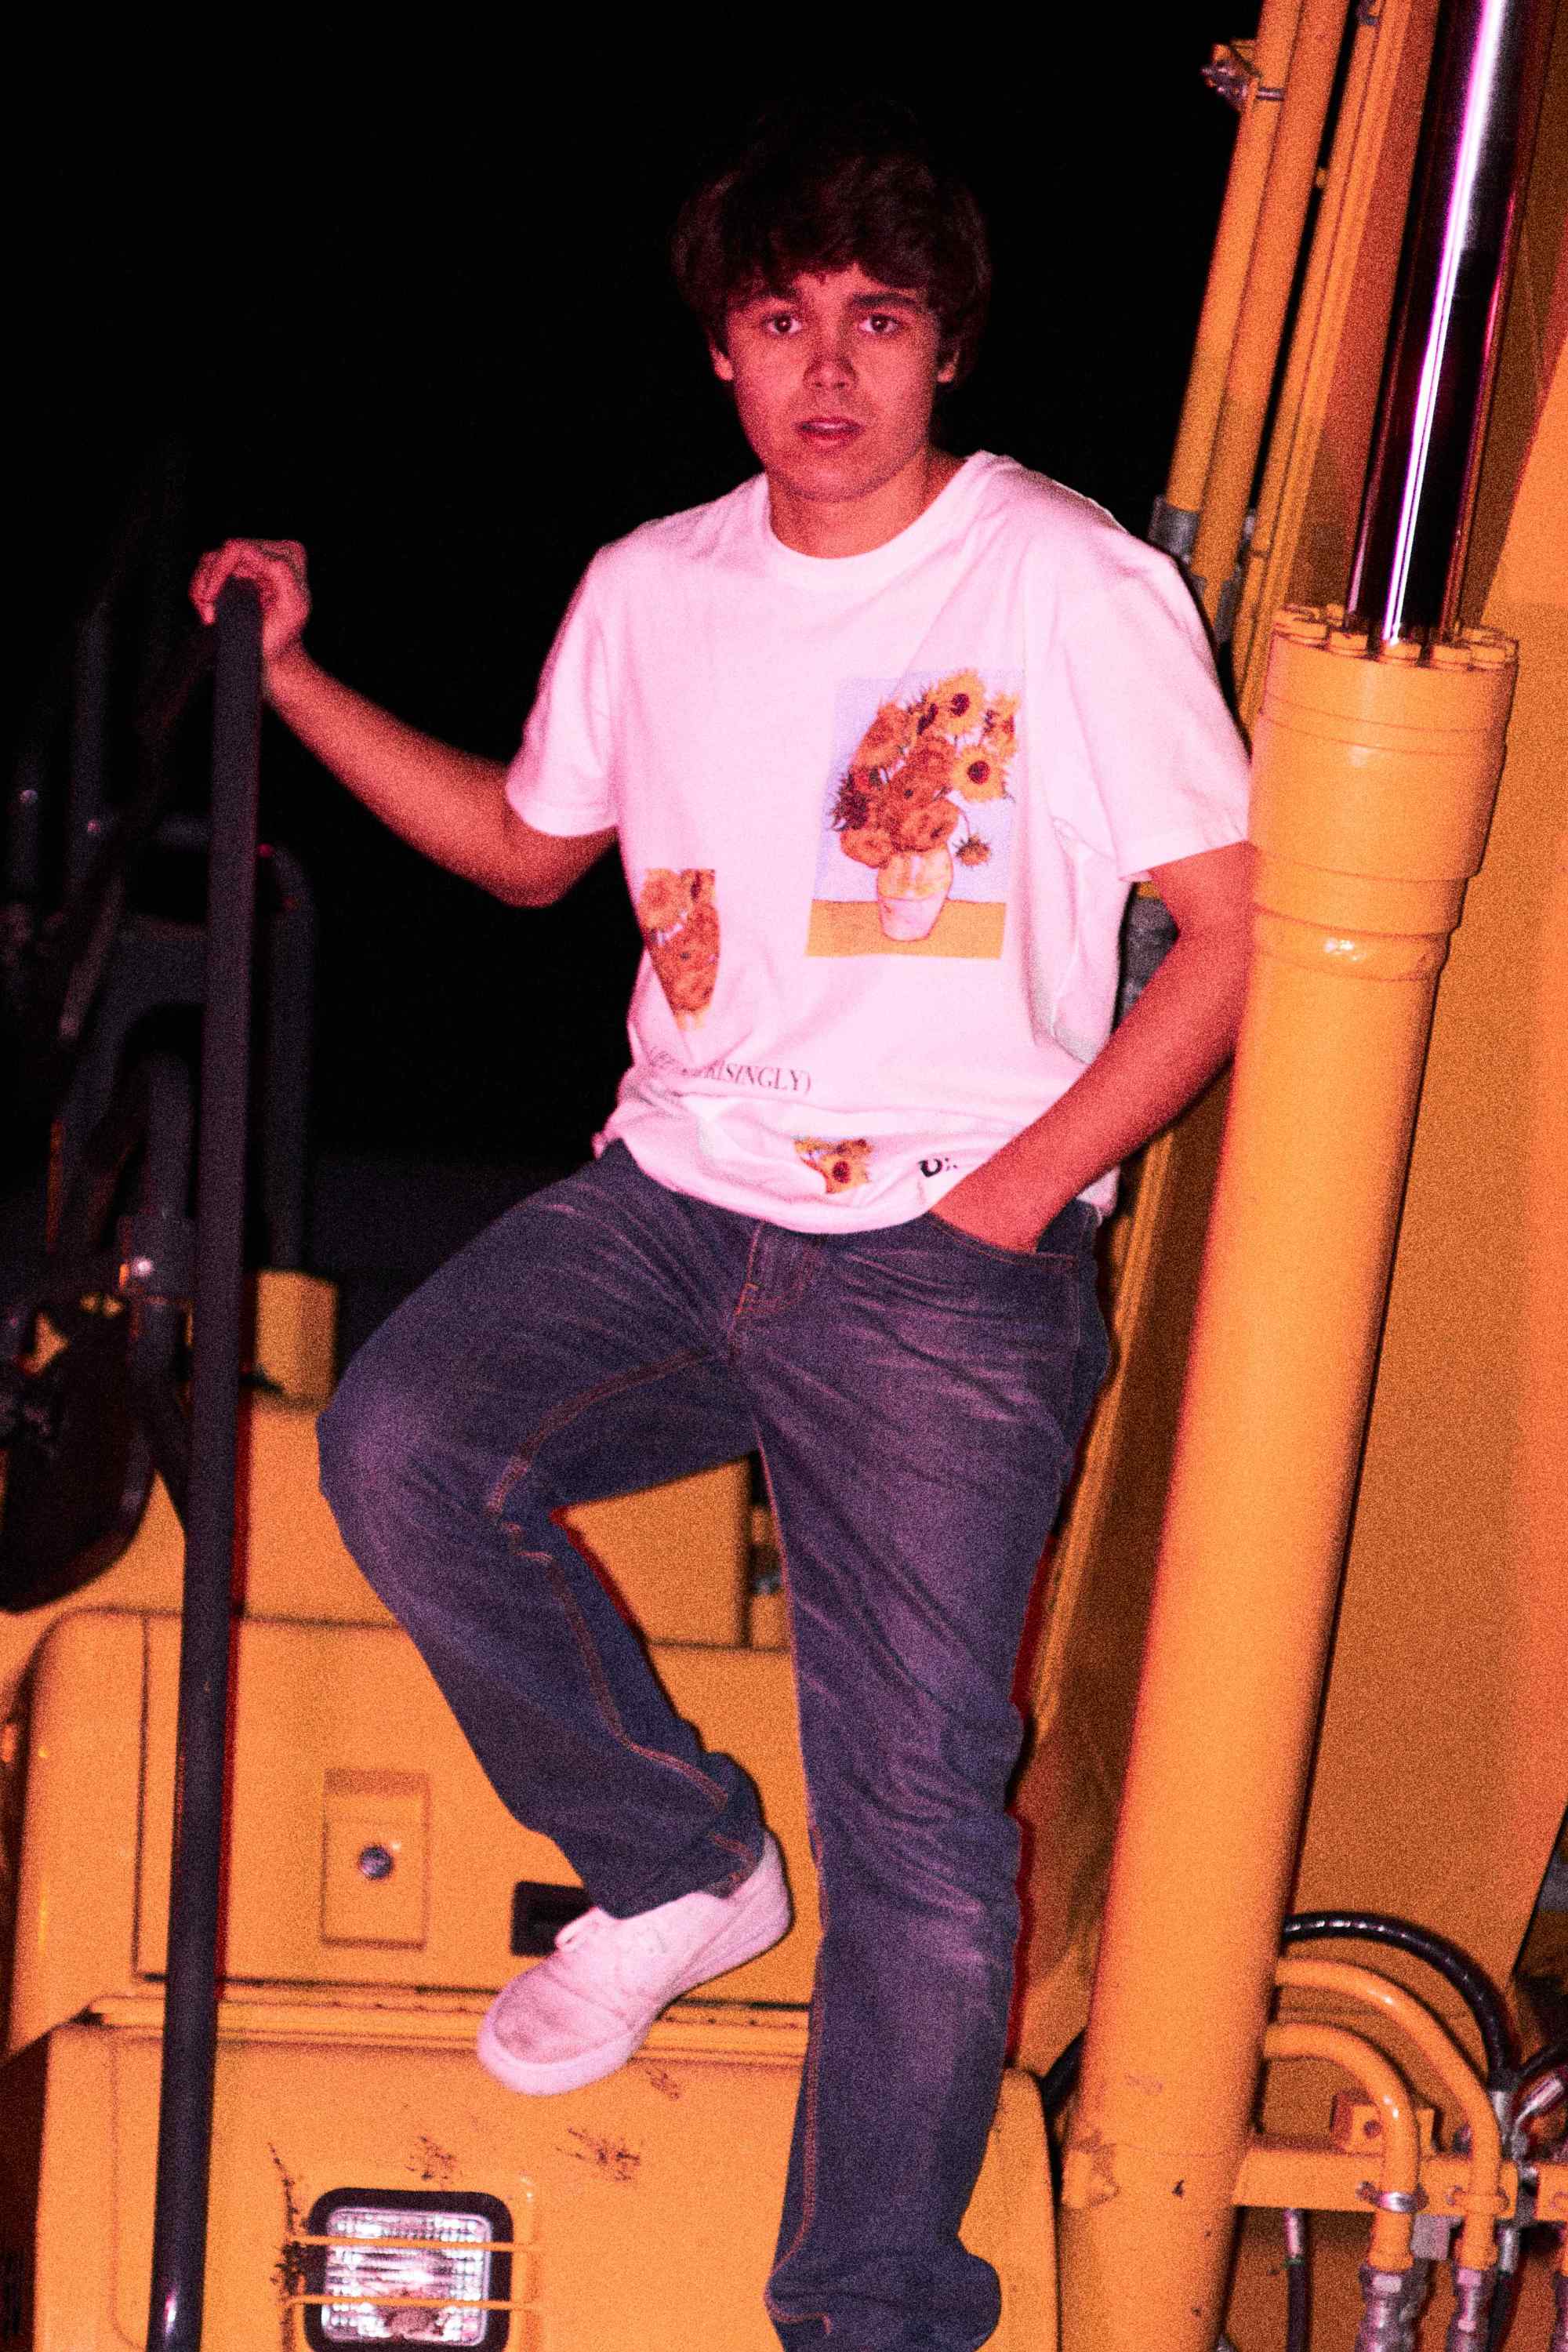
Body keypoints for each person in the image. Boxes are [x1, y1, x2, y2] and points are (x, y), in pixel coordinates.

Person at [192, 97, 1252, 2352]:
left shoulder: (1067, 582)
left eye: (878, 319)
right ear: (721, 353)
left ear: (949, 345)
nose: (828, 369)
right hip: (677, 1206)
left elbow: (1234, 935)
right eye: (782, 323)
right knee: (402, 1441)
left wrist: (1009, 1205)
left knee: (925, 1834)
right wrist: (282, 684)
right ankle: (680, 1859)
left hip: (946, 1264)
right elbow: (524, 847)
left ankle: (870, 2311)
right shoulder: (652, 589)